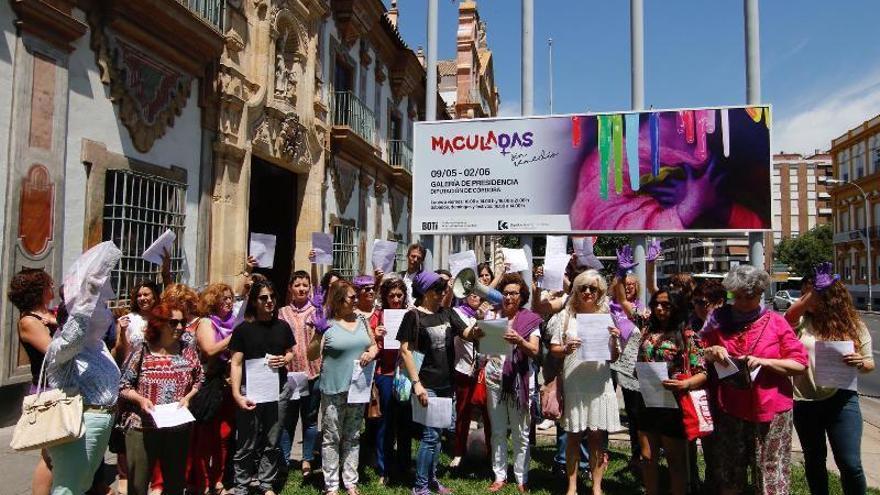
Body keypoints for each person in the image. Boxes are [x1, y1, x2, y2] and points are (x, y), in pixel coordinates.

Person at [701, 265, 808, 495]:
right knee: (730, 471)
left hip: (771, 409)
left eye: (747, 297)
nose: (740, 302)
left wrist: (765, 362)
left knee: (769, 469)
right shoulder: (717, 320)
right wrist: (712, 351)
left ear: (760, 294)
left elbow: (800, 364)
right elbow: (699, 352)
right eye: (735, 296)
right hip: (729, 408)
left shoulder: (775, 322)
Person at [786, 264, 875, 495]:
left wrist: (859, 362)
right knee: (815, 461)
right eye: (805, 294)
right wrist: (811, 294)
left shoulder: (854, 325)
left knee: (850, 463)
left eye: (814, 294)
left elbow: (869, 364)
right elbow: (789, 316)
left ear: (830, 298)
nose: (807, 299)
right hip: (805, 402)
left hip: (842, 401)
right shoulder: (802, 323)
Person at [44, 241, 122, 494]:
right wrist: (86, 299)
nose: (104, 310)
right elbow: (75, 335)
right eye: (98, 306)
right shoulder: (63, 347)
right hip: (78, 426)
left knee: (83, 484)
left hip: (100, 423)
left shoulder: (97, 346)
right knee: (68, 487)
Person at [399, 270, 483, 495]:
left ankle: (432, 479)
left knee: (437, 437)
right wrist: (416, 383)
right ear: (425, 291)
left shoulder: (448, 314)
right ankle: (419, 486)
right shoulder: (413, 316)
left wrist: (478, 327)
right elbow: (405, 351)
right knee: (430, 436)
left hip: (447, 383)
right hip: (426, 383)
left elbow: (466, 333)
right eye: (439, 289)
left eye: (444, 289)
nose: (443, 292)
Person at [548, 270, 622, 495]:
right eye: (583, 288)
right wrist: (566, 349)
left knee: (598, 438)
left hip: (599, 383)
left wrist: (614, 339)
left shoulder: (607, 315)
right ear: (576, 290)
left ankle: (597, 487)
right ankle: (572, 486)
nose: (588, 292)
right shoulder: (565, 317)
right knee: (573, 436)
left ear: (600, 292)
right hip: (575, 382)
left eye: (593, 288)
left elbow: (613, 357)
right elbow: (554, 349)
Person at [119, 303, 204, 495]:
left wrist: (189, 397)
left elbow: (200, 379)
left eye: (182, 322)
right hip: (143, 427)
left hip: (177, 428)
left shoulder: (187, 350)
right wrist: (140, 400)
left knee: (175, 485)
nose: (180, 327)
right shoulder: (142, 350)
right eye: (173, 322)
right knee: (138, 486)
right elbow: (123, 386)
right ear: (159, 323)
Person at [307, 279, 378, 495]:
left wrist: (370, 353)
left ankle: (350, 481)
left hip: (357, 388)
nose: (356, 299)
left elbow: (373, 344)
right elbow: (311, 355)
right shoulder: (326, 324)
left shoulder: (362, 320)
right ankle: (331, 484)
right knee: (332, 437)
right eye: (352, 297)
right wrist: (318, 334)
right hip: (333, 388)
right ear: (338, 300)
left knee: (353, 435)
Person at [636, 289, 706, 495]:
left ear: (676, 308)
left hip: (674, 404)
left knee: (675, 461)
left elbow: (702, 372)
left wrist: (685, 385)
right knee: (647, 458)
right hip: (648, 400)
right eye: (656, 304)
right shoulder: (647, 331)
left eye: (666, 305)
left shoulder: (688, 336)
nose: (659, 308)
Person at [229, 280, 295, 495]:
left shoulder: (282, 327)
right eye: (263, 298)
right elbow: (236, 363)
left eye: (272, 297)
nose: (269, 301)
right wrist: (237, 394)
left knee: (272, 440)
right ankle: (241, 485)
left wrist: (285, 359)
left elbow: (290, 352)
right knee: (246, 441)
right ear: (254, 302)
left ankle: (266, 483)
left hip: (278, 390)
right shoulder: (243, 330)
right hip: (251, 391)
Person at [484, 274, 543, 493]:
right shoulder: (492, 315)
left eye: (514, 293)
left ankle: (521, 477)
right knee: (498, 430)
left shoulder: (529, 319)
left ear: (521, 296)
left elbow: (535, 351)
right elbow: (482, 344)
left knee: (521, 433)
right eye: (506, 293)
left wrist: (519, 340)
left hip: (520, 382)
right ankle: (499, 475)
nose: (509, 297)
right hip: (494, 379)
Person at [7, 268, 57, 495]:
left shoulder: (47, 316)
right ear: (39, 290)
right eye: (49, 284)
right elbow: (53, 351)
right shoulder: (29, 320)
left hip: (58, 386)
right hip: (46, 389)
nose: (52, 288)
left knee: (56, 452)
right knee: (49, 455)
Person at [189, 283, 238, 494]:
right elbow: (209, 349)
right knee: (205, 437)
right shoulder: (206, 323)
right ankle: (200, 481)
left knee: (224, 435)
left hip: (227, 385)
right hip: (209, 385)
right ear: (212, 301)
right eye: (223, 298)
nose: (228, 301)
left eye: (231, 298)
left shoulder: (233, 322)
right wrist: (234, 337)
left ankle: (218, 480)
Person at [278, 270, 321, 477]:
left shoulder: (316, 311)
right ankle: (285, 460)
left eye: (305, 285)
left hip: (312, 372)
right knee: (288, 419)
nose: (302, 289)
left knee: (310, 417)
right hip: (289, 373)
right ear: (290, 288)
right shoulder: (282, 312)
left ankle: (307, 459)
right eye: (297, 285)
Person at [373, 276, 414, 483]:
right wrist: (377, 335)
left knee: (405, 423)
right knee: (386, 424)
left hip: (406, 375)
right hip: (386, 374)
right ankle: (384, 469)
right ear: (385, 297)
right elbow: (368, 344)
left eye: (399, 295)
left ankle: (405, 466)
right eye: (391, 296)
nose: (396, 300)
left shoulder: (411, 315)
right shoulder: (378, 316)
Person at [449, 291, 492, 470]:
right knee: (462, 411)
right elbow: (466, 333)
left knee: (488, 414)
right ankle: (459, 452)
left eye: (480, 295)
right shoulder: (457, 313)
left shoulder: (492, 313)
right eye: (472, 294)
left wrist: (484, 317)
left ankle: (491, 453)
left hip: (486, 371)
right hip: (464, 369)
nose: (476, 298)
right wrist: (477, 318)